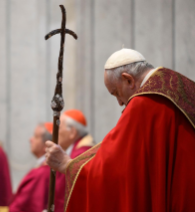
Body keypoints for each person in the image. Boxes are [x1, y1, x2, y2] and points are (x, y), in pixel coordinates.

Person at [45, 48, 195, 212]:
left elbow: (114, 168)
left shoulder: (143, 104)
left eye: (116, 93)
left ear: (128, 80)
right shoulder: (182, 84)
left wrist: (68, 165)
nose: (120, 103)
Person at [53, 109, 95, 212]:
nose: (55, 131)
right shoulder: (77, 151)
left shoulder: (80, 156)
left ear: (72, 132)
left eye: (60, 127)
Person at [9, 122, 52, 212]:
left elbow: (21, 206)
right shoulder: (49, 168)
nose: (30, 139)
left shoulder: (41, 173)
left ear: (46, 145)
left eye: (36, 137)